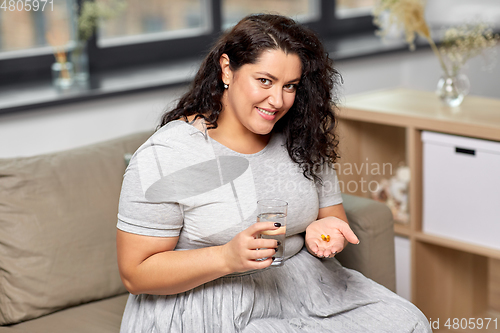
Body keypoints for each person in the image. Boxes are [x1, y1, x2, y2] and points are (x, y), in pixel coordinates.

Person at [116, 14, 431, 332]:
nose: (278, 101)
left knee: (409, 322)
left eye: (290, 86)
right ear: (227, 69)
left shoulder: (300, 136)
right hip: (207, 298)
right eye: (264, 81)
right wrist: (226, 258)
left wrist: (325, 232)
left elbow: (332, 218)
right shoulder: (171, 154)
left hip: (305, 284)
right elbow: (136, 273)